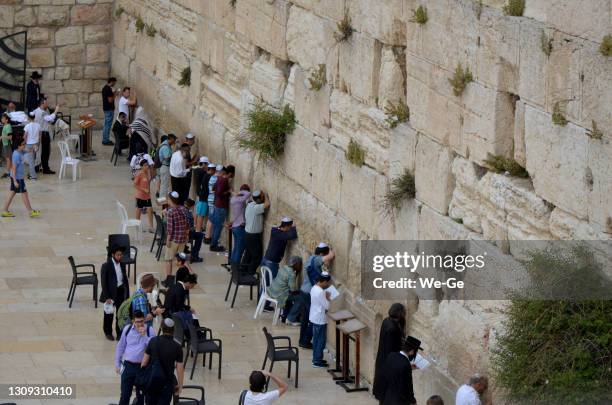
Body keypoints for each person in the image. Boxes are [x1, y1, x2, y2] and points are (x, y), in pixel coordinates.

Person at [297, 243, 334, 349]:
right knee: (313, 319)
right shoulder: (317, 259)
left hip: (303, 291)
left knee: (305, 318)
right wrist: (331, 251)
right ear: (322, 253)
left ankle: (302, 340)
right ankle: (306, 341)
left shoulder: (311, 258)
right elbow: (331, 256)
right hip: (309, 293)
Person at [115, 310, 154, 405]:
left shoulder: (150, 330)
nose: (140, 324)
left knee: (140, 396)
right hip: (128, 366)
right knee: (125, 395)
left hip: (142, 368)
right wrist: (117, 363)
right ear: (133, 321)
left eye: (141, 321)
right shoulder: (127, 329)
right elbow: (121, 346)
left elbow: (153, 348)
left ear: (144, 320)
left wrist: (144, 335)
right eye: (137, 322)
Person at [141, 318, 185, 404]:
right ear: (173, 330)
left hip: (152, 381)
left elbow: (144, 362)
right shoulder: (177, 347)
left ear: (161, 328)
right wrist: (180, 386)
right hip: (167, 383)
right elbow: (180, 369)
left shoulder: (153, 341)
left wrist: (142, 379)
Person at [373, 303, 407, 401]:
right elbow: (391, 350)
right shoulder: (392, 329)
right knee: (387, 396)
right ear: (400, 313)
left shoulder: (386, 321)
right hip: (388, 367)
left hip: (383, 363)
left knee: (384, 396)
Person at [376, 336, 422, 405]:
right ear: (412, 351)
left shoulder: (391, 355)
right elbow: (407, 387)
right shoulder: (406, 364)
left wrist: (410, 368)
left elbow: (391, 372)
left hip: (385, 397)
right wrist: (413, 401)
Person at [1, 139, 40, 218]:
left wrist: (34, 147)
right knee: (24, 193)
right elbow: (14, 168)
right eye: (23, 144)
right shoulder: (16, 155)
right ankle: (30, 211)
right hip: (17, 178)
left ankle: (5, 210)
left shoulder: (21, 151)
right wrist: (15, 181)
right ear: (18, 146)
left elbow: (29, 151)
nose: (24, 145)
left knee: (12, 193)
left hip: (16, 177)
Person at [100, 245, 130, 341]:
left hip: (120, 291)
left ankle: (119, 333)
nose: (120, 257)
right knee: (109, 314)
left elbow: (124, 279)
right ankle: (108, 332)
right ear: (113, 255)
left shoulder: (122, 264)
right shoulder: (106, 266)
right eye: (118, 255)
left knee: (120, 313)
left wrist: (127, 293)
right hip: (110, 293)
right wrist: (107, 297)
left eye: (121, 255)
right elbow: (104, 283)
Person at [163, 191, 190, 285]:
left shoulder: (170, 212)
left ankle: (168, 281)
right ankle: (183, 279)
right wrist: (186, 236)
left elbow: (170, 229)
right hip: (182, 239)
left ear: (170, 200)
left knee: (168, 259)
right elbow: (187, 224)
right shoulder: (183, 209)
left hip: (173, 239)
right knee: (181, 260)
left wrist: (168, 240)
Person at [241, 190, 270, 274]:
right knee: (257, 256)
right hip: (253, 236)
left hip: (248, 234)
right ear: (258, 200)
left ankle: (243, 270)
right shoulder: (256, 208)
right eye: (261, 198)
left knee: (248, 254)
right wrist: (265, 195)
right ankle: (250, 272)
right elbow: (267, 204)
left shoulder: (249, 204)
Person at [266, 256, 301, 324]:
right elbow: (293, 289)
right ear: (296, 264)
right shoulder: (292, 274)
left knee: (289, 297)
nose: (300, 266)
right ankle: (291, 319)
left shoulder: (283, 267)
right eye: (300, 264)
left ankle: (284, 315)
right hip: (279, 295)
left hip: (272, 290)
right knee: (299, 298)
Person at [309, 272, 332, 368]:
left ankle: (317, 358)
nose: (327, 285)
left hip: (314, 316)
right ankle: (317, 360)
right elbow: (327, 306)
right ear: (324, 281)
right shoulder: (321, 292)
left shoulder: (314, 288)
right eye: (327, 283)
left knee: (317, 339)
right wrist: (328, 298)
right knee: (320, 340)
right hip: (320, 319)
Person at [210, 164, 235, 252]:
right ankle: (214, 245)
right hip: (221, 206)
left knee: (217, 226)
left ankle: (213, 243)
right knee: (218, 227)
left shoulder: (219, 178)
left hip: (217, 205)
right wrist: (228, 191)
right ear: (231, 173)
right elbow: (219, 193)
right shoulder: (224, 180)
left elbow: (214, 189)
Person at [32, 97, 60, 175]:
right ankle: (45, 168)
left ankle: (39, 167)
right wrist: (56, 110)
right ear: (42, 104)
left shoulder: (38, 110)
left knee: (40, 151)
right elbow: (50, 118)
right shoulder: (42, 112)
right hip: (43, 134)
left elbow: (50, 120)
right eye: (46, 103)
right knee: (45, 152)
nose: (47, 104)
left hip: (40, 133)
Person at [228, 184, 250, 264]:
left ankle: (233, 266)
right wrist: (240, 192)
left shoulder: (234, 198)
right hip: (240, 227)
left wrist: (234, 193)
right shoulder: (241, 199)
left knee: (236, 248)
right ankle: (236, 269)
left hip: (235, 226)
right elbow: (248, 194)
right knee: (239, 249)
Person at [134, 159, 154, 232]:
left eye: (147, 165)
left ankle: (151, 227)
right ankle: (137, 226)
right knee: (139, 210)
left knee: (150, 210)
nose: (147, 166)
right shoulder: (139, 174)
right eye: (145, 165)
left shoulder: (148, 173)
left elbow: (148, 183)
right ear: (141, 166)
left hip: (147, 196)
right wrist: (144, 189)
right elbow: (135, 185)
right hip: (140, 196)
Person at [194, 157, 212, 233]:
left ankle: (196, 227)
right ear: (204, 164)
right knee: (201, 215)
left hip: (199, 194)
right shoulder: (202, 172)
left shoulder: (196, 170)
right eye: (207, 164)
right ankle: (198, 231)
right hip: (202, 196)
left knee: (198, 213)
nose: (208, 166)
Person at [184, 198, 204, 262]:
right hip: (186, 234)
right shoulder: (189, 214)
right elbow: (189, 227)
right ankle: (194, 255)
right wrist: (194, 228)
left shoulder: (181, 210)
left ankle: (185, 248)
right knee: (200, 235)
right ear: (192, 206)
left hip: (179, 233)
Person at [204, 163, 220, 244]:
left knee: (210, 219)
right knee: (211, 219)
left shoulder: (212, 177)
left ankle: (207, 236)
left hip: (210, 199)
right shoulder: (215, 178)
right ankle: (207, 237)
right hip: (212, 200)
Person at [157, 134, 176, 199]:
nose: (174, 141)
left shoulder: (166, 145)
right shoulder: (165, 147)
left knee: (164, 185)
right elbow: (167, 157)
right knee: (164, 186)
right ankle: (162, 201)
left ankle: (163, 200)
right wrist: (174, 155)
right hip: (165, 167)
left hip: (165, 167)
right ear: (170, 139)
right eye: (174, 139)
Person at [23, 112, 40, 180]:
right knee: (33, 159)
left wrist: (24, 142)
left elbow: (25, 136)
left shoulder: (27, 126)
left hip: (29, 145)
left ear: (29, 118)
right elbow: (40, 135)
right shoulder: (38, 125)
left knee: (31, 161)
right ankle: (31, 173)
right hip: (36, 144)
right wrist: (38, 143)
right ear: (34, 117)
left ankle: (33, 176)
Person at [101, 77, 117, 146]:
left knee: (106, 124)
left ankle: (105, 139)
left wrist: (113, 93)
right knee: (107, 125)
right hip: (109, 109)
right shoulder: (108, 89)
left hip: (106, 108)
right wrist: (115, 94)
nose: (115, 84)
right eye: (114, 82)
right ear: (112, 82)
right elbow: (110, 100)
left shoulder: (104, 88)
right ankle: (106, 140)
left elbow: (108, 96)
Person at [1, 113, 13, 178]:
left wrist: (2, 137)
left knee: (8, 159)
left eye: (3, 118)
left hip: (7, 145)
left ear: (7, 120)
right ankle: (10, 172)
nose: (1, 119)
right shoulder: (5, 126)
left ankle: (9, 173)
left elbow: (10, 137)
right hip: (5, 144)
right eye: (2, 118)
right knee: (8, 159)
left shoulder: (8, 126)